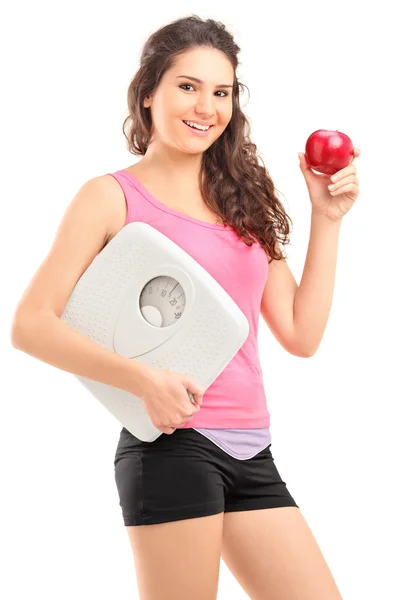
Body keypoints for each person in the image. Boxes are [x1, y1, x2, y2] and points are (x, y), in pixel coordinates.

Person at [11, 14, 360, 600]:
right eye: (187, 86)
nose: (205, 106)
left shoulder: (244, 201)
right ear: (149, 93)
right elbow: (29, 324)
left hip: (253, 447)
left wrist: (326, 219)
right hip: (171, 445)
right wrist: (141, 380)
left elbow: (301, 333)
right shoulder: (110, 197)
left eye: (220, 92)